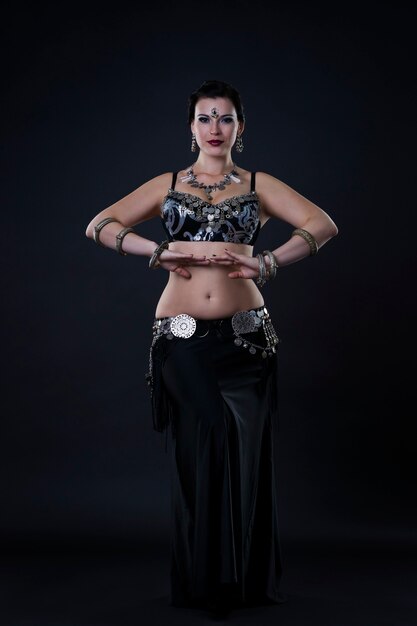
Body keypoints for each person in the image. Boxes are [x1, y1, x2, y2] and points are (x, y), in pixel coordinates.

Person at [85, 79, 338, 617]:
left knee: (244, 454)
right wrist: (154, 250)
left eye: (225, 118)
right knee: (203, 442)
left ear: (240, 127)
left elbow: (323, 224)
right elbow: (99, 224)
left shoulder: (258, 185)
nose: (215, 128)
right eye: (205, 118)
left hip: (247, 339)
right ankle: (203, 582)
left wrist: (267, 261)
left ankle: (242, 583)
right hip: (180, 338)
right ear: (191, 126)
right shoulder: (168, 184)